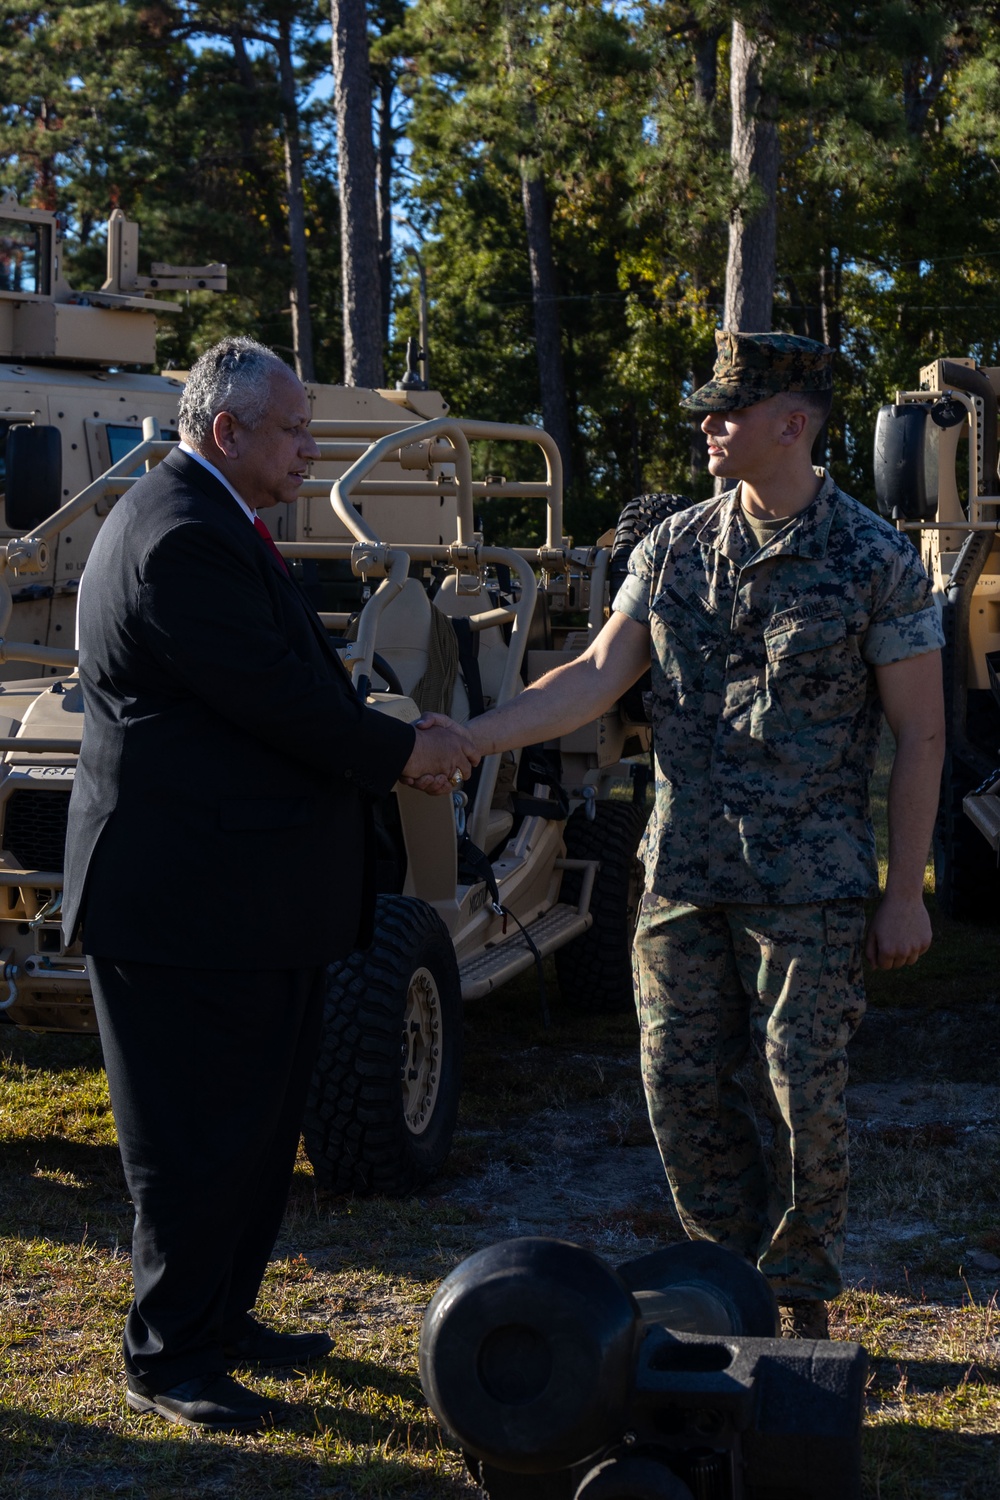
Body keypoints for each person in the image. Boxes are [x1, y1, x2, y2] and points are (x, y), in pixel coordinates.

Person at [415, 331, 946, 1338]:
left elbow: (922, 733)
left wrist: (906, 889)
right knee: (680, 1089)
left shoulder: (872, 558)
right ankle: (723, 1284)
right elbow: (593, 676)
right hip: (683, 877)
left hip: (811, 885)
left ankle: (797, 1303)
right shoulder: (671, 548)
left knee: (801, 1093)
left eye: (728, 410)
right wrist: (471, 737)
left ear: (791, 424)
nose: (708, 424)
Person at [63, 336, 475, 1431]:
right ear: (225, 431)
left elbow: (290, 686)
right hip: (186, 902)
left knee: (248, 1128)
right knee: (193, 1139)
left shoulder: (211, 522)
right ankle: (169, 1355)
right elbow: (276, 703)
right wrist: (402, 753)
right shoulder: (179, 537)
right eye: (293, 431)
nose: (309, 449)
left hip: (241, 899)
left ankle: (219, 1318)